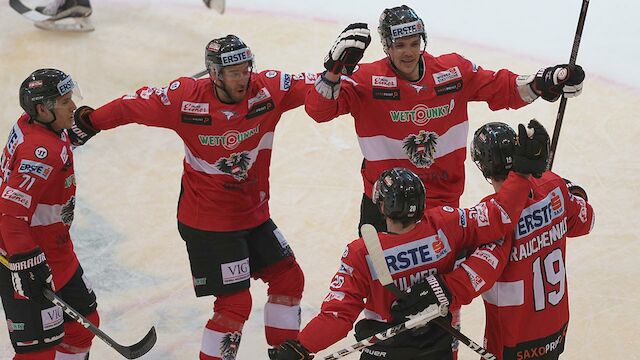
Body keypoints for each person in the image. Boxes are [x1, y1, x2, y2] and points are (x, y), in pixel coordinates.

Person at [68, 35, 316, 360]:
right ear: (214, 73)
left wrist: (339, 68)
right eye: (234, 72)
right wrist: (89, 121)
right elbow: (133, 105)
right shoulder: (185, 98)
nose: (243, 78)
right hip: (209, 222)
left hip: (253, 215)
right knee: (235, 304)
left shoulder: (268, 88)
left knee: (288, 278)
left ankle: (283, 354)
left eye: (246, 70)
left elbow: (318, 85)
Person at [268, 119, 551, 360]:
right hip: (439, 346)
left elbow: (338, 317)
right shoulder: (447, 223)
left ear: (380, 207)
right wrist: (523, 173)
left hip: (386, 350)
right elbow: (499, 216)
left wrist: (301, 346)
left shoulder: (361, 252)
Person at [305, 4, 586, 235]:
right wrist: (333, 71)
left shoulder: (453, 71)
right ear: (386, 46)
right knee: (381, 297)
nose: (408, 52)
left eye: (414, 43)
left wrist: (548, 79)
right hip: (385, 206)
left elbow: (505, 88)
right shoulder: (367, 80)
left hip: (442, 205)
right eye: (400, 45)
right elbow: (319, 111)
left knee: (442, 296)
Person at [394, 121, 594, 359]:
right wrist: (571, 190)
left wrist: (439, 290)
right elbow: (585, 221)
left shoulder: (494, 218)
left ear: (484, 166)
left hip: (513, 341)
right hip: (555, 331)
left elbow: (480, 271)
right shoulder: (554, 186)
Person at [0, 69, 99, 359]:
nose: (73, 107)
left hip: (55, 248)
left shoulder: (39, 127)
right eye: (65, 101)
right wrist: (24, 261)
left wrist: (80, 129)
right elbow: (9, 214)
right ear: (43, 109)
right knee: (38, 353)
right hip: (23, 254)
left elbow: (55, 144)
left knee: (83, 327)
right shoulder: (38, 152)